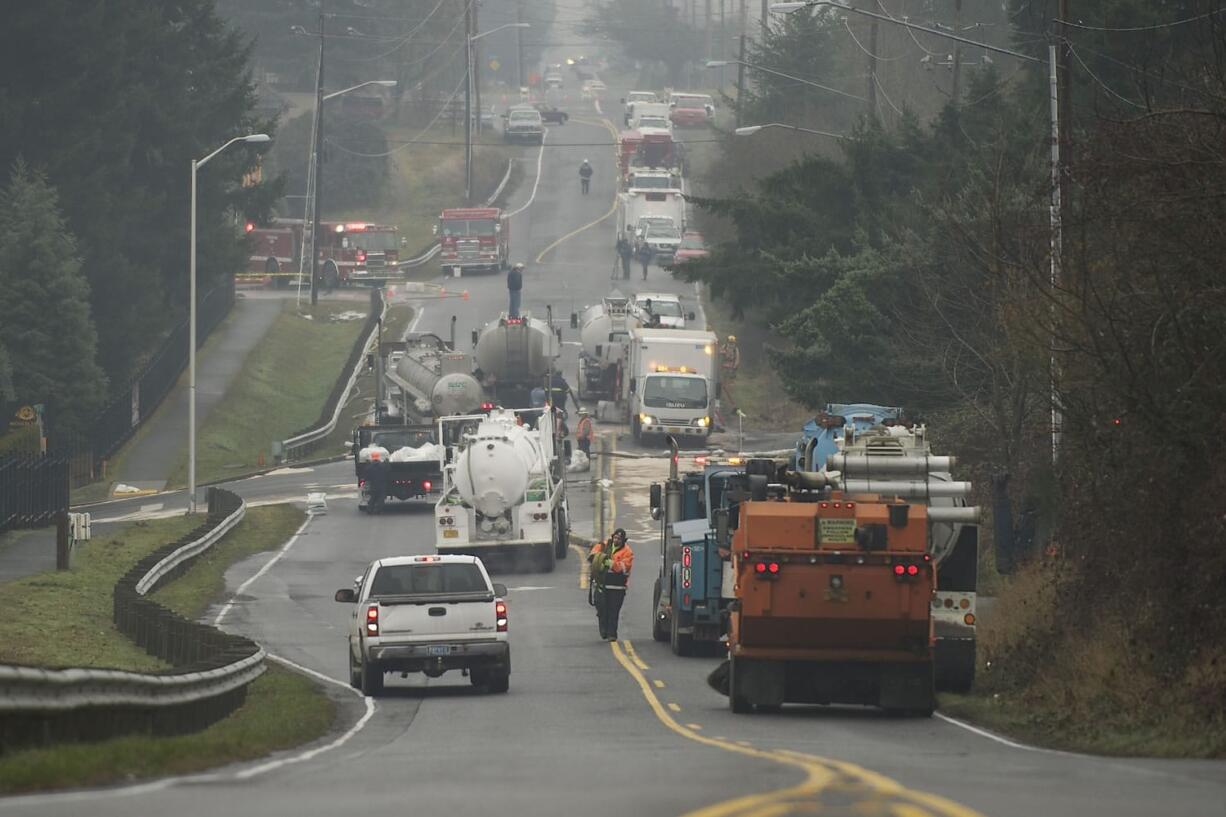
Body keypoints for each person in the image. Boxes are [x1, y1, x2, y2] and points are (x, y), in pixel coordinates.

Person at [589, 528, 634, 641]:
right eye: (615, 537)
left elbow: (624, 567)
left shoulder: (628, 552)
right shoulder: (603, 546)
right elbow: (593, 555)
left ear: (623, 540)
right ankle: (603, 630)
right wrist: (597, 558)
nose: (616, 540)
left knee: (613, 611)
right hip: (602, 585)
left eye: (619, 538)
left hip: (617, 587)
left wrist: (610, 563)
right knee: (601, 608)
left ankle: (612, 634)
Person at [365, 449, 389, 514]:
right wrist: (387, 462)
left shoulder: (369, 467)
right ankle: (378, 510)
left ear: (372, 458)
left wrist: (367, 463)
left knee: (373, 497)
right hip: (381, 484)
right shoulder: (382, 466)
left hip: (373, 485)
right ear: (378, 457)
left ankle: (369, 510)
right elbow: (387, 470)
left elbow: (366, 475)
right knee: (381, 498)